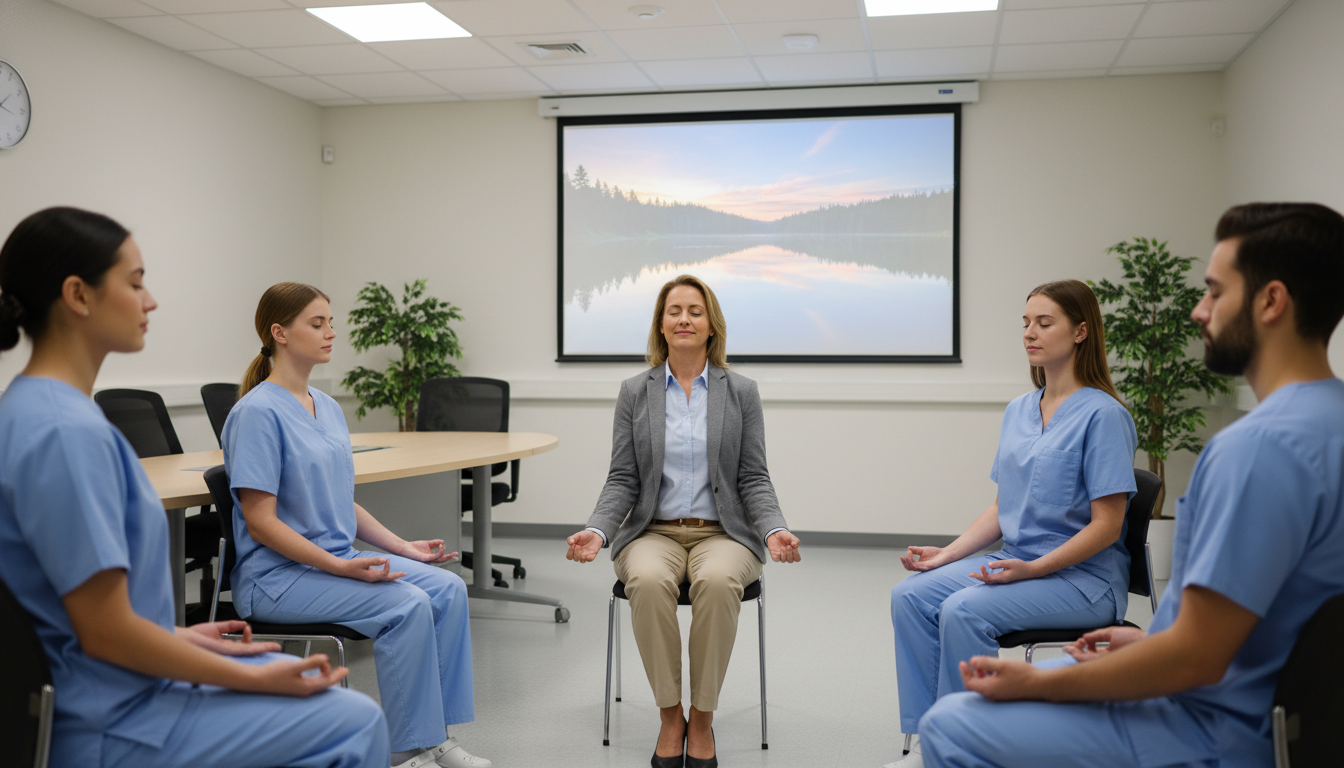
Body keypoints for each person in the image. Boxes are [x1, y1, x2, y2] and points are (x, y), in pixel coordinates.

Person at [917, 202, 1344, 768]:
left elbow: (1194, 661)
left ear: (1271, 301)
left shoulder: (1256, 451)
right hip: (1277, 706)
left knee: (952, 723)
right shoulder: (1328, 421)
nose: (1199, 311)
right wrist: (1148, 639)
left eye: (1215, 292)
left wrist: (1034, 683)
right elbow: (1266, 622)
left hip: (1212, 725)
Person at [0, 207, 389, 768]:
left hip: (104, 688)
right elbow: (106, 633)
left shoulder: (30, 408)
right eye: (135, 283)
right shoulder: (66, 434)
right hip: (114, 720)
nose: (150, 300)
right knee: (351, 723)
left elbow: (68, 617)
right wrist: (245, 674)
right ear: (78, 295)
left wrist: (182, 638)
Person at [222, 282, 488, 768]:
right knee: (407, 605)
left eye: (330, 322)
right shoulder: (256, 414)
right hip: (278, 578)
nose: (331, 333)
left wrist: (403, 548)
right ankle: (407, 752)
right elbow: (260, 524)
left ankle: (436, 740)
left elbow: (343, 503)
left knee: (448, 589)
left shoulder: (328, 407)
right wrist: (342, 569)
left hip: (332, 563)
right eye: (317, 323)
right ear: (279, 333)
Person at [890, 279, 1139, 756]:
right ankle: (932, 741)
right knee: (912, 596)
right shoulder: (1019, 410)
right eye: (1026, 323)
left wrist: (1033, 570)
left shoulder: (1104, 416)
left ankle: (969, 745)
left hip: (1082, 582)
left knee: (965, 609)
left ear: (1081, 331)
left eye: (1045, 323)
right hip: (1019, 561)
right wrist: (948, 554)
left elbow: (1107, 526)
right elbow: (1004, 507)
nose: (1030, 332)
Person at [564, 274, 802, 768]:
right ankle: (671, 716)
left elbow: (754, 477)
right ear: (661, 324)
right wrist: (598, 528)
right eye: (674, 311)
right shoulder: (635, 392)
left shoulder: (742, 392)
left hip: (724, 534)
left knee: (717, 581)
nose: (685, 319)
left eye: (695, 311)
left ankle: (703, 717)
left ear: (711, 324)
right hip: (653, 531)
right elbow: (623, 479)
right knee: (647, 581)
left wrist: (775, 528)